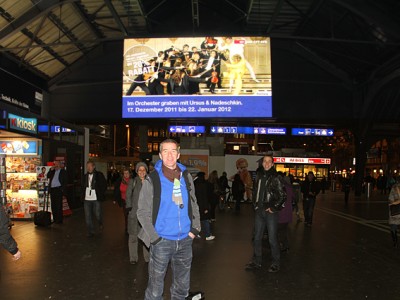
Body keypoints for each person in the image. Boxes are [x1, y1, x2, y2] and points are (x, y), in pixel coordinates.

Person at [137, 139, 201, 300]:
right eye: (165, 151)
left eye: (173, 151)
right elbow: (142, 212)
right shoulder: (152, 180)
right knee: (155, 290)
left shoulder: (186, 177)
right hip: (162, 241)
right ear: (160, 155)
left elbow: (194, 203)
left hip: (185, 241)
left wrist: (195, 229)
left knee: (181, 288)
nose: (170, 155)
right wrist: (155, 238)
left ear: (178, 154)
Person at [245, 155, 286, 273]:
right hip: (259, 211)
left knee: (272, 239)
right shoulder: (258, 175)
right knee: (257, 238)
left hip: (270, 212)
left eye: (269, 162)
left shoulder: (276, 177)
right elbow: (256, 191)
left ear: (272, 164)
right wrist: (255, 205)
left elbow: (283, 196)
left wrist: (273, 207)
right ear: (262, 163)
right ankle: (257, 261)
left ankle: (276, 263)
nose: (267, 163)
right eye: (265, 161)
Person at [126, 162, 150, 264]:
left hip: (146, 215)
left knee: (146, 236)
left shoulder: (150, 182)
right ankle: (133, 258)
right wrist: (129, 208)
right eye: (139, 170)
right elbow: (128, 195)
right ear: (136, 171)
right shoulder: (133, 181)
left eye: (143, 170)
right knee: (133, 236)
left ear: (146, 171)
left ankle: (147, 258)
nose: (142, 172)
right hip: (134, 214)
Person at [82, 161, 107, 237]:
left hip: (96, 198)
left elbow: (104, 185)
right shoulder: (85, 176)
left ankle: (100, 223)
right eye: (87, 166)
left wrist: (100, 192)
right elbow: (82, 186)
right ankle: (90, 231)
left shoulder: (99, 175)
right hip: (87, 199)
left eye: (90, 166)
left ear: (94, 167)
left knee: (97, 214)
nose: (89, 168)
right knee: (87, 216)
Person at [194, 172, 215, 241]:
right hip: (202, 205)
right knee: (205, 220)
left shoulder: (194, 183)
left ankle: (196, 233)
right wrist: (206, 207)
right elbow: (204, 197)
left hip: (195, 205)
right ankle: (208, 235)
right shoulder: (203, 184)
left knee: (196, 220)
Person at [278, 175, 294, 253]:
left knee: (279, 231)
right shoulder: (290, 188)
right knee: (283, 230)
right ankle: (285, 245)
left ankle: (283, 245)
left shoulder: (280, 188)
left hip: (281, 213)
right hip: (288, 212)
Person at [113, 168, 131, 232]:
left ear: (130, 174)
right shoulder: (120, 181)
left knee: (130, 215)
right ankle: (127, 228)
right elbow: (116, 190)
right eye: (124, 173)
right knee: (126, 215)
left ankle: (130, 227)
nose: (126, 175)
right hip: (124, 200)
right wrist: (115, 198)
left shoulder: (132, 181)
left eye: (127, 173)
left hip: (131, 200)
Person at [388, 180, 400, 248]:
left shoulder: (394, 187)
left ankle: (395, 241)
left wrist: (395, 202)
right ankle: (395, 241)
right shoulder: (395, 188)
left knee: (393, 227)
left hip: (395, 210)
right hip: (396, 211)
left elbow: (390, 200)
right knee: (393, 226)